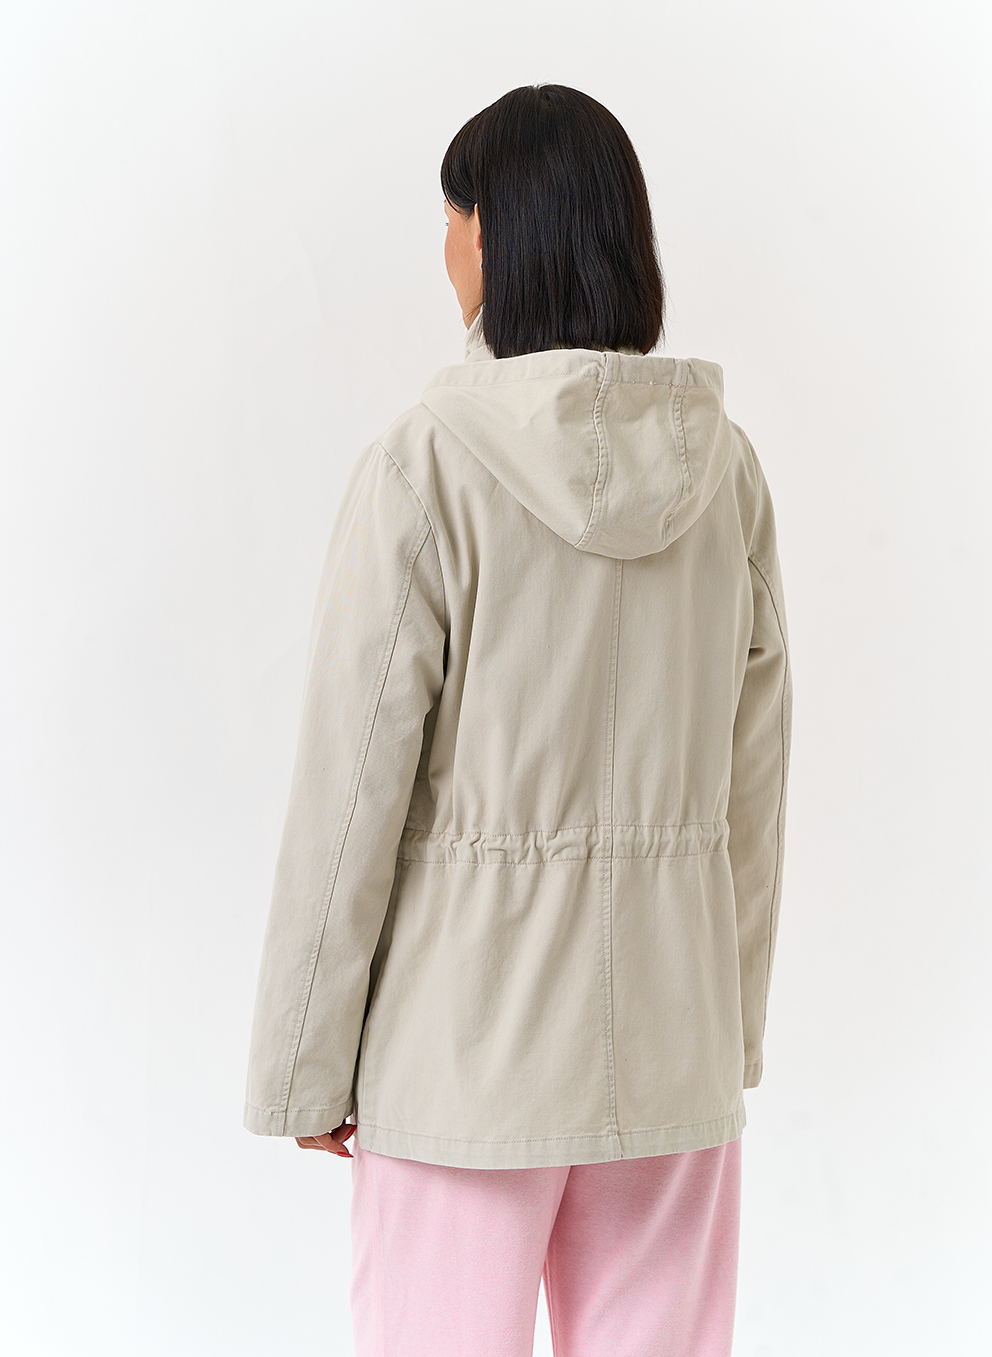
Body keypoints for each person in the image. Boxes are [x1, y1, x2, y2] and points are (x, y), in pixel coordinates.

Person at [244, 83, 793, 1357]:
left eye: (450, 219)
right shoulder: (726, 473)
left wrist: (304, 1062)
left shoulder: (424, 464)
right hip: (670, 1046)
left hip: (462, 1060)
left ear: (491, 234)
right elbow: (752, 782)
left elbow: (350, 787)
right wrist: (724, 1029)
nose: (442, 249)